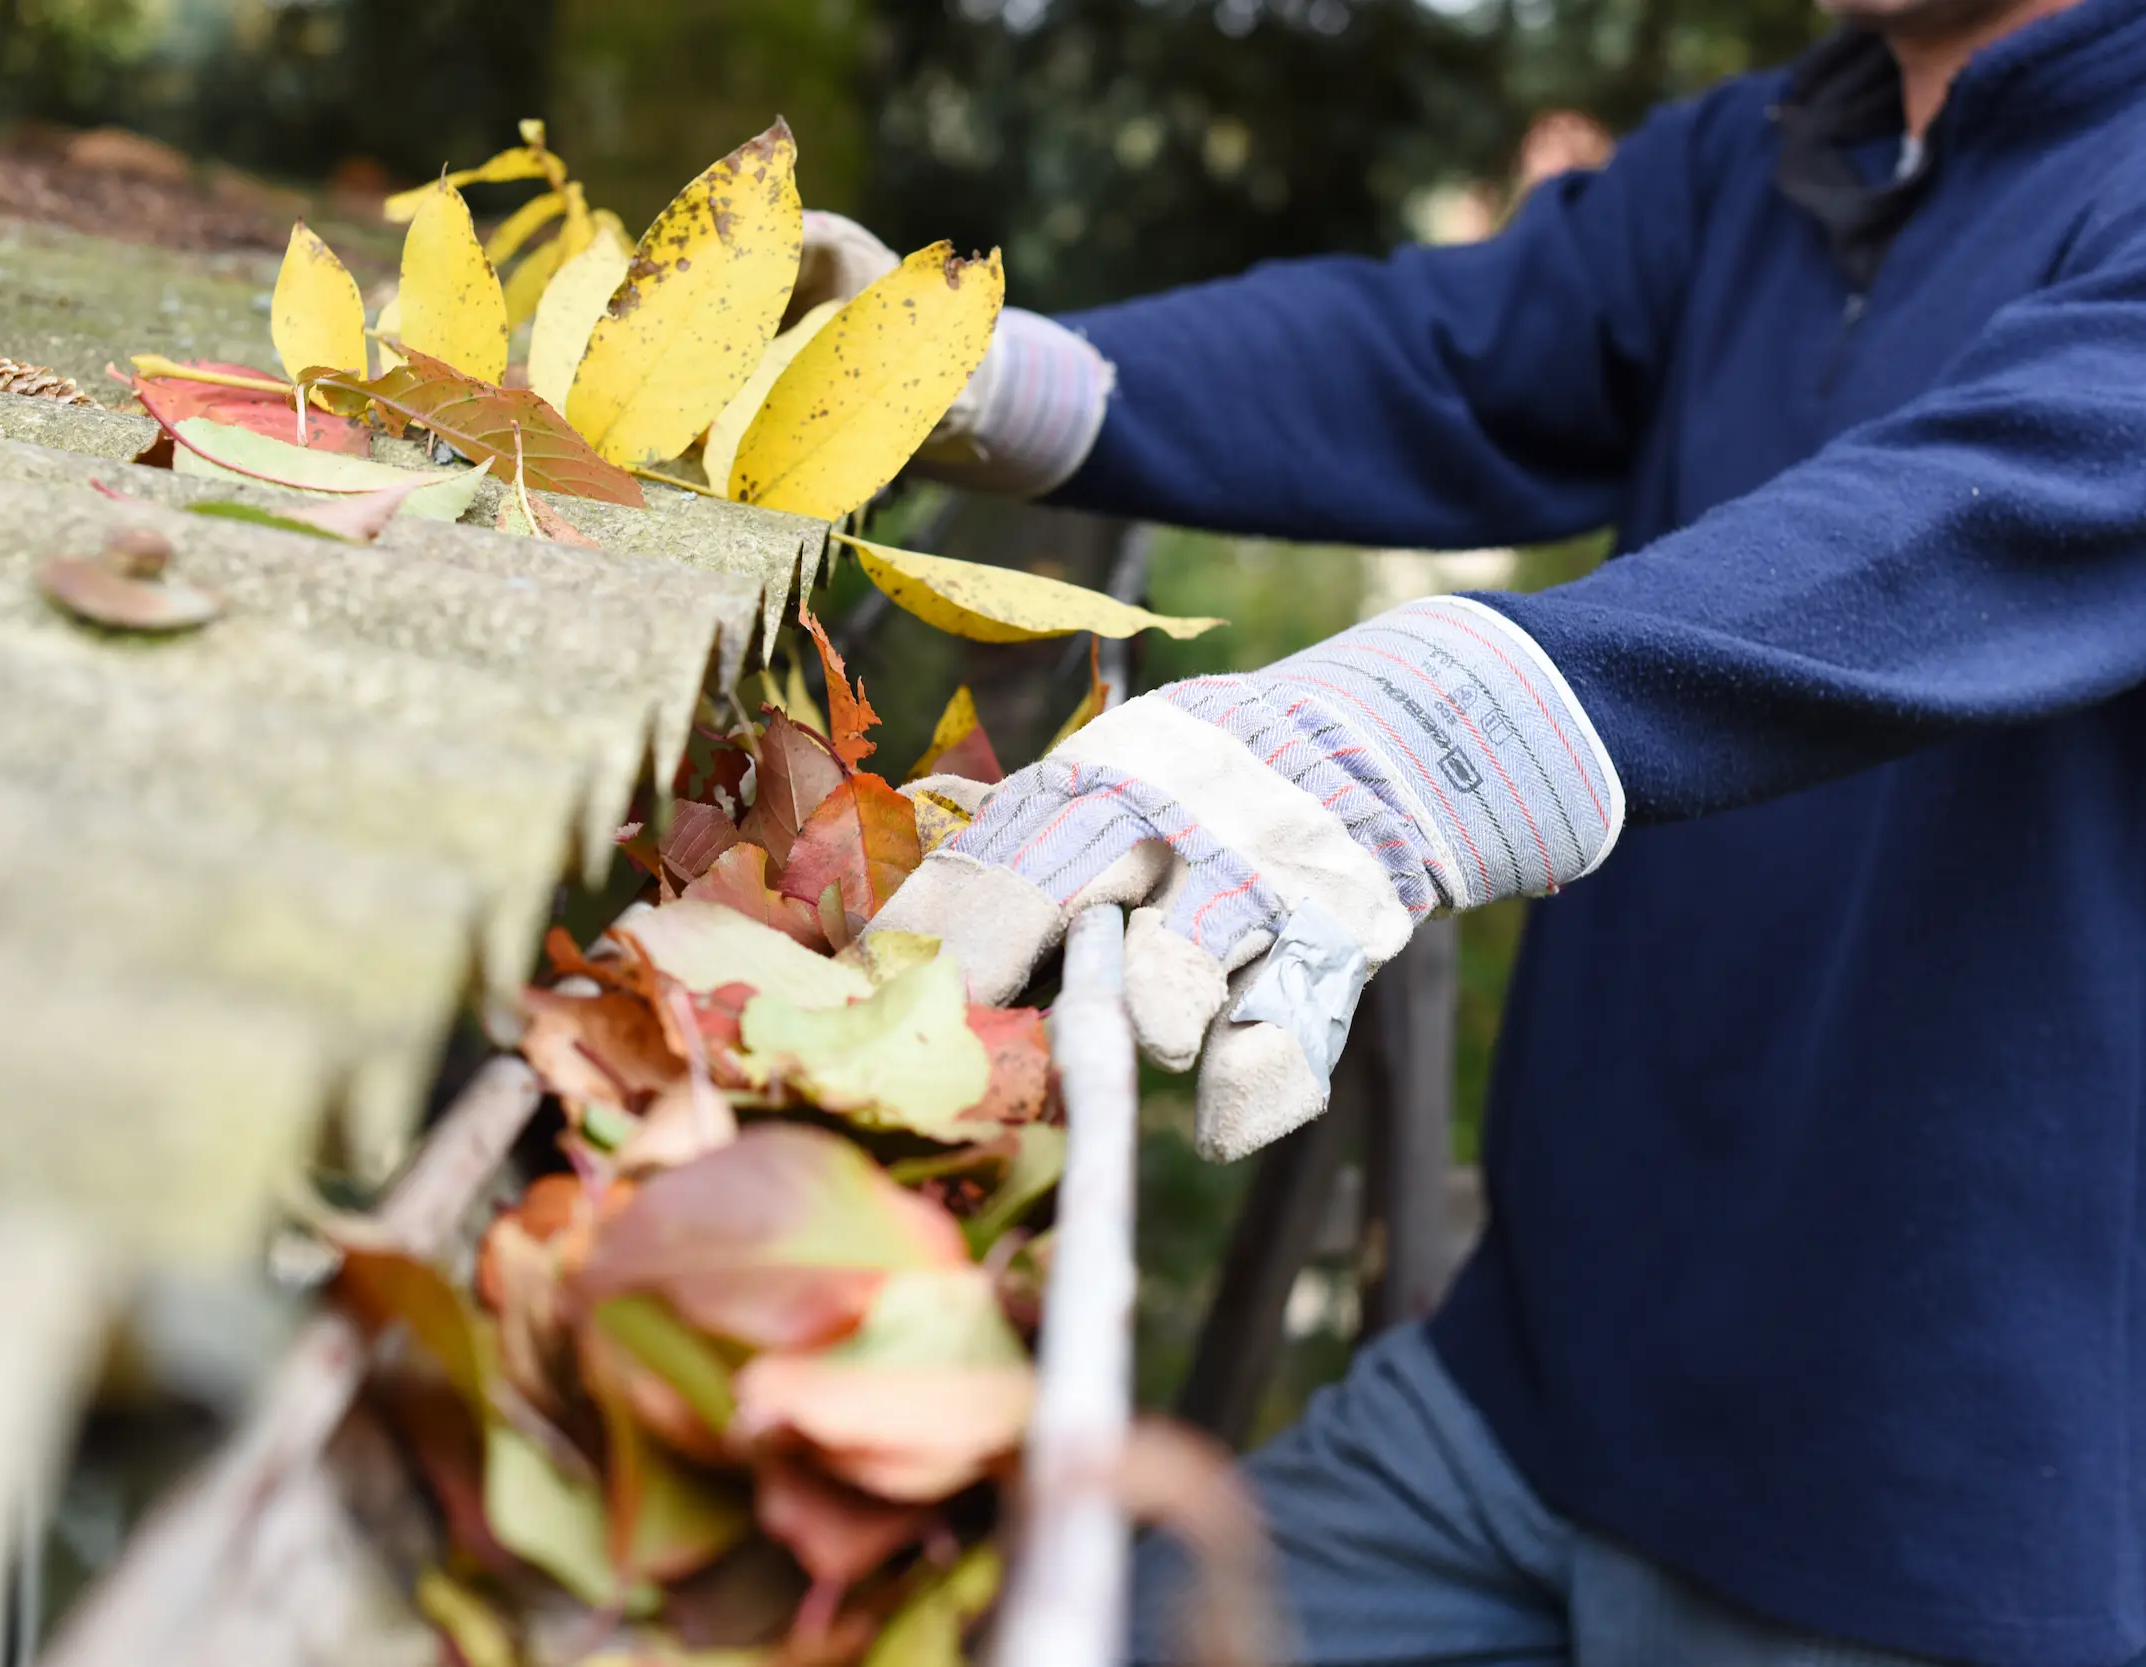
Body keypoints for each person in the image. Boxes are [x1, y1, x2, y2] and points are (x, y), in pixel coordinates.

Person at [821, 2, 2146, 1662]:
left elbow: (1995, 509)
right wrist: (998, 376)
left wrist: (1430, 733)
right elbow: (1435, 355)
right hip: (1522, 1395)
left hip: (1924, 1522)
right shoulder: (1766, 162)